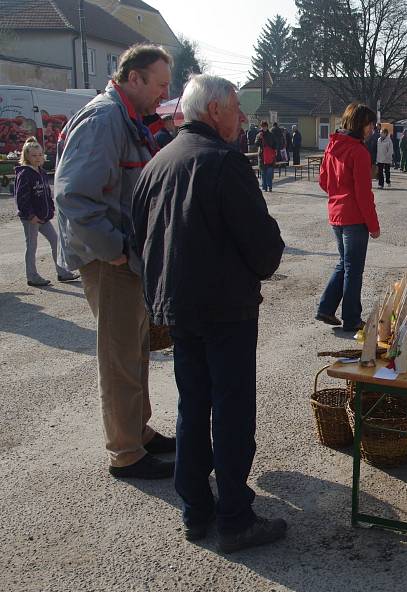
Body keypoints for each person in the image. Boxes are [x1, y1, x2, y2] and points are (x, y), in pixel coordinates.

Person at [131, 74, 287, 552]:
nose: (242, 118)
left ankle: (196, 509)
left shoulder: (158, 162)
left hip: (178, 307)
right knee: (232, 410)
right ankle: (235, 518)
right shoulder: (224, 162)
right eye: (236, 108)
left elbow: (139, 237)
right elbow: (264, 250)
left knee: (193, 405)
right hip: (225, 309)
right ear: (214, 110)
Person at [55, 43, 175, 479]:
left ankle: (137, 432)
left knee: (135, 350)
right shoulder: (105, 118)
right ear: (134, 78)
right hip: (109, 262)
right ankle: (126, 452)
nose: (165, 94)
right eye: (160, 84)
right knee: (120, 354)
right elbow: (72, 195)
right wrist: (118, 251)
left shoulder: (127, 119)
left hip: (123, 259)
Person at [316, 102, 381, 331]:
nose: (373, 129)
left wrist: (337, 195)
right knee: (354, 269)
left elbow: (323, 181)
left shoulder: (332, 146)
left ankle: (326, 308)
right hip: (354, 217)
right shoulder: (359, 151)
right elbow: (364, 193)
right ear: (362, 124)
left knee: (344, 264)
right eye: (371, 125)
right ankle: (352, 318)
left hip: (336, 214)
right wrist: (373, 225)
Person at [15, 137, 78, 286]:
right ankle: (32, 276)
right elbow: (21, 198)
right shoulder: (24, 174)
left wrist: (50, 209)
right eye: (34, 156)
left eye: (40, 155)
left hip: (43, 217)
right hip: (31, 218)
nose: (37, 158)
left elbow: (47, 193)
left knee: (55, 241)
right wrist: (30, 215)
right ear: (26, 156)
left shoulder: (41, 172)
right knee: (32, 246)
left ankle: (62, 272)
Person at [255, 120, 277, 192]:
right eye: (263, 126)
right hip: (262, 156)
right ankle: (264, 187)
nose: (264, 128)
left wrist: (275, 150)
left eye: (265, 126)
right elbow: (256, 144)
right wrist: (259, 139)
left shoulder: (271, 134)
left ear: (267, 126)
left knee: (269, 172)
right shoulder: (259, 135)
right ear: (261, 127)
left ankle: (269, 186)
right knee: (263, 173)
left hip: (270, 155)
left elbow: (275, 143)